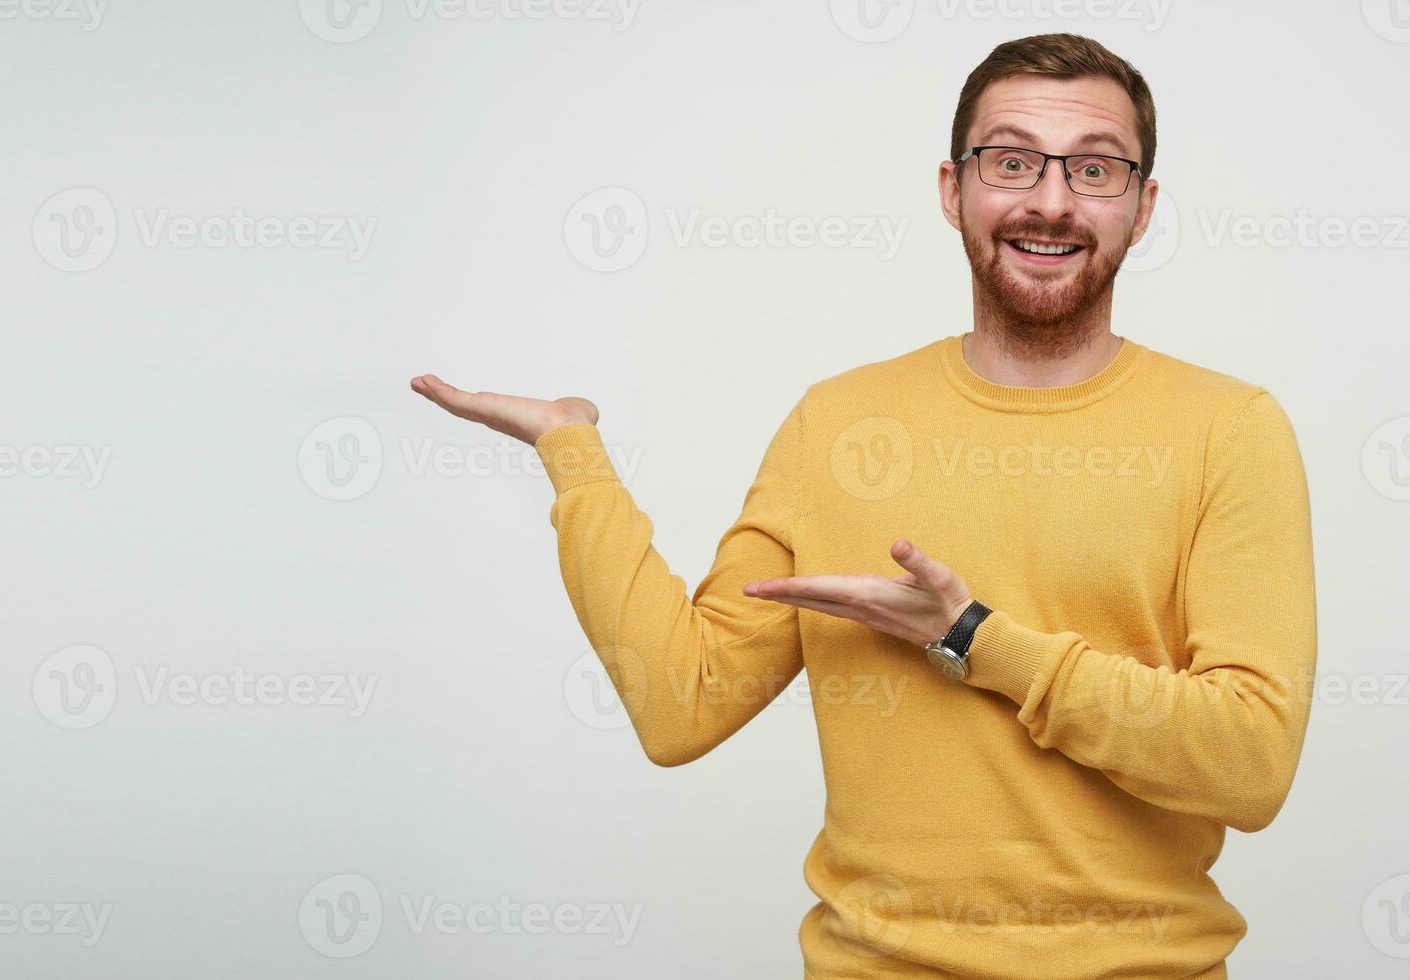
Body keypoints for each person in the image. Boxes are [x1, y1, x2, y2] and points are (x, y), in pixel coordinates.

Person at [411, 32, 1316, 980]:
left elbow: (1249, 765)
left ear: (1143, 206)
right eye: (1011, 162)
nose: (1050, 200)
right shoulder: (837, 425)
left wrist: (974, 637)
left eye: (1095, 169)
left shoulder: (1231, 430)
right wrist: (574, 455)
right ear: (951, 189)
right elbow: (684, 703)